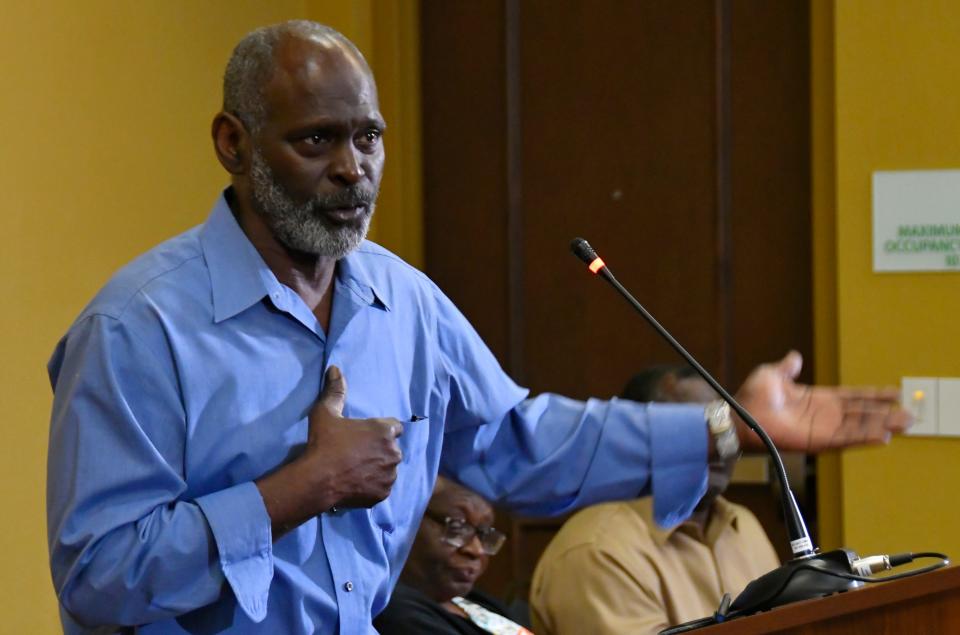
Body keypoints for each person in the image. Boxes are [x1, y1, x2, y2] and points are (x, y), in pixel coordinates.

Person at [45, 20, 910, 635]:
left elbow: (520, 441)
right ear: (233, 143)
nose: (353, 170)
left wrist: (728, 427)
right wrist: (300, 487)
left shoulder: (404, 302)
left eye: (369, 139)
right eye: (317, 141)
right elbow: (96, 576)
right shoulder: (137, 328)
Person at [530, 365, 781, 634]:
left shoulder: (744, 525)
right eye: (702, 431)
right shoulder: (598, 548)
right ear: (646, 441)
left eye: (725, 429)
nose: (721, 446)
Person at [374, 477, 532, 635]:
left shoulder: (469, 601)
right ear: (406, 523)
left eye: (483, 532)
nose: (476, 550)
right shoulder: (396, 613)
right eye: (457, 528)